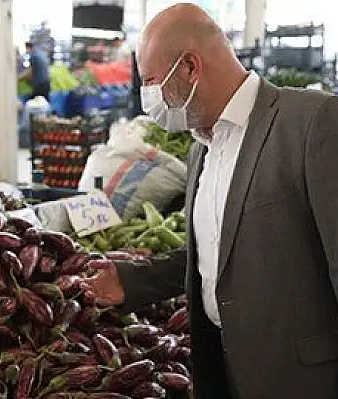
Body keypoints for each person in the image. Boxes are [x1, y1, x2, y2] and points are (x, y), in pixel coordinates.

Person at [80, 4, 338, 398]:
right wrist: (129, 281)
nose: (148, 99)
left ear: (189, 67)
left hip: (299, 380)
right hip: (222, 369)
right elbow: (214, 256)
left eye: (151, 83)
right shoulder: (201, 147)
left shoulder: (312, 123)